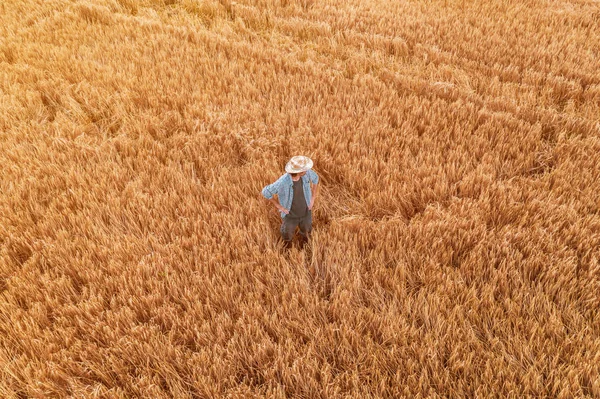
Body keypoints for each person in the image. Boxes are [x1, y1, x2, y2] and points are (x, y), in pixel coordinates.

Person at [261, 155, 320, 250]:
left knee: (307, 232)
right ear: (299, 172)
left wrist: (312, 198)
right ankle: (288, 249)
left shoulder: (307, 174)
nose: (307, 170)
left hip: (306, 211)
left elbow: (316, 179)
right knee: (287, 234)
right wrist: (280, 207)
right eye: (304, 169)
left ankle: (304, 246)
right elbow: (266, 192)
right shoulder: (283, 181)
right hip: (290, 215)